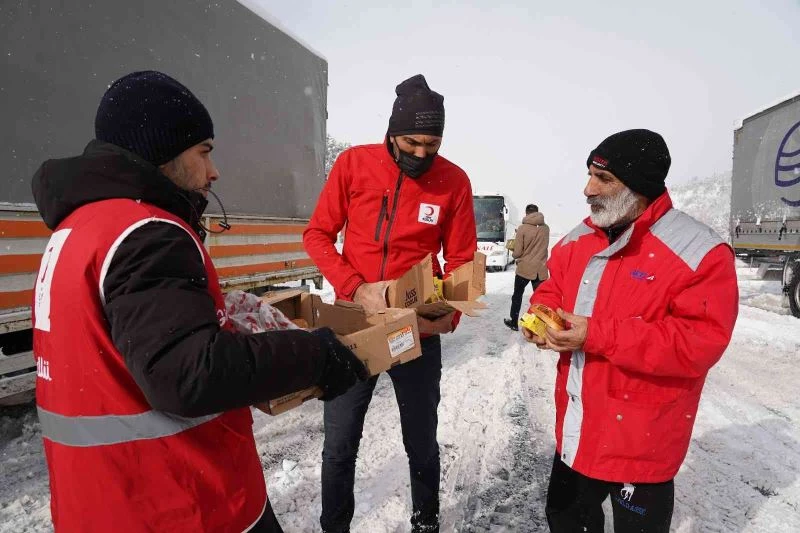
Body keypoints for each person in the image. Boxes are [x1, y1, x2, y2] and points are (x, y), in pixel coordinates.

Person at [31, 71, 367, 533]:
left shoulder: (79, 229)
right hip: (186, 503)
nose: (214, 171)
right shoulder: (147, 231)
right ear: (160, 152)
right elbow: (189, 375)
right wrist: (315, 355)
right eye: (204, 151)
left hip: (99, 504)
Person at [520, 129, 738, 532]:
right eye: (589, 175)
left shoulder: (698, 251)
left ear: (639, 186)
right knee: (565, 522)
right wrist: (539, 314)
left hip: (641, 447)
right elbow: (551, 288)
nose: (588, 189)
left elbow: (697, 345)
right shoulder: (578, 238)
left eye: (604, 179)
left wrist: (595, 334)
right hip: (578, 434)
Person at [303, 74, 477, 533]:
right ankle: (334, 526)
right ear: (391, 131)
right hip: (355, 324)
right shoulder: (353, 165)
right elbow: (317, 235)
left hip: (412, 329)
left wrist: (450, 314)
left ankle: (426, 522)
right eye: (412, 142)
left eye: (432, 144)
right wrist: (354, 284)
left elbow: (461, 261)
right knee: (339, 443)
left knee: (421, 440)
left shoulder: (454, 182)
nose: (422, 153)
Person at [504, 204, 549, 331]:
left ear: (526, 213)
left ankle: (514, 322)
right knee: (540, 299)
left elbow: (518, 252)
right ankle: (539, 327)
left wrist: (513, 251)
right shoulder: (546, 229)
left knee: (517, 296)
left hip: (525, 269)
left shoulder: (522, 228)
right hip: (540, 270)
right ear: (537, 212)